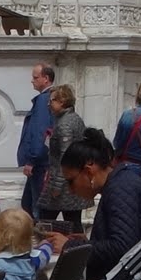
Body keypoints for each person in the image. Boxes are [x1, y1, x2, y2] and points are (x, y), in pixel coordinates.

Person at [57, 128, 141, 280]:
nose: (70, 190)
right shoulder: (121, 183)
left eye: (71, 181)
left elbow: (122, 247)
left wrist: (70, 245)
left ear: (88, 170)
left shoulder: (120, 189)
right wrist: (86, 240)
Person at [35, 85, 87, 234]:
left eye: (51, 100)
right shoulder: (74, 118)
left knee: (45, 222)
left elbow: (65, 157)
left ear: (62, 101)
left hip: (63, 183)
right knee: (73, 221)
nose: (48, 104)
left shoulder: (65, 124)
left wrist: (57, 186)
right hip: (72, 181)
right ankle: (80, 251)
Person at [17, 62, 56, 217]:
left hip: (39, 163)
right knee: (28, 203)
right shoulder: (48, 99)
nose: (32, 81)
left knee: (35, 207)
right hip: (42, 161)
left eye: (35, 77)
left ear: (46, 78)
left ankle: (37, 238)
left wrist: (31, 160)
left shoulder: (42, 101)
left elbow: (39, 132)